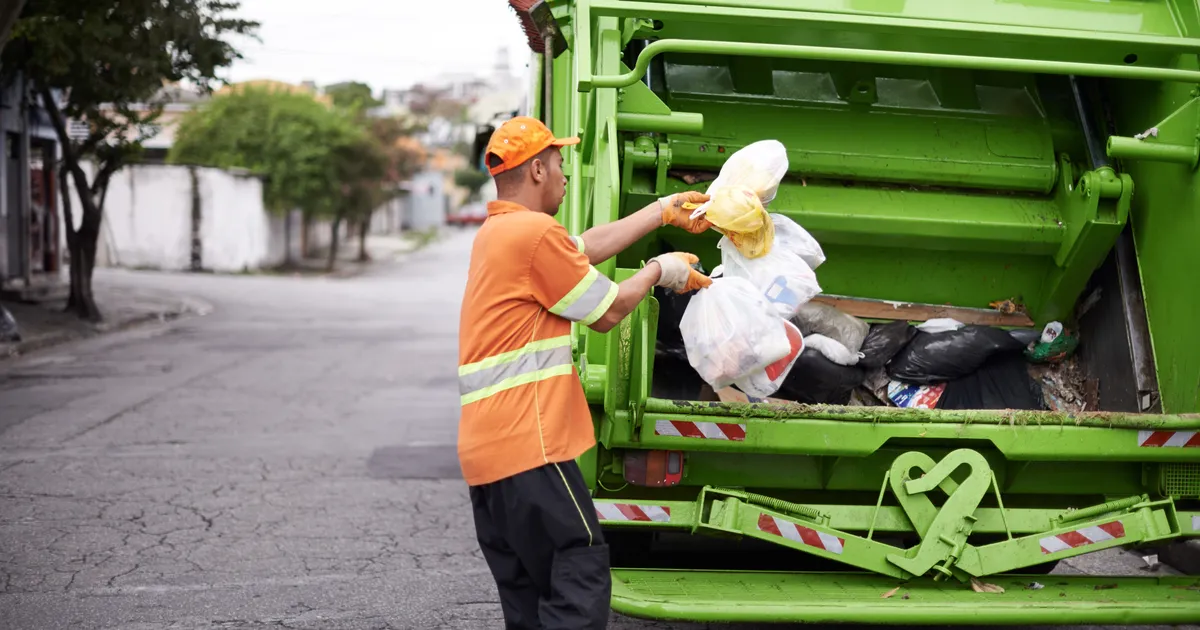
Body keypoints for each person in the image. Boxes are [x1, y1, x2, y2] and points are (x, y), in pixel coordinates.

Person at [457, 116, 712, 629]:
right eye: (558, 162)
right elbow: (611, 311)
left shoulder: (501, 233)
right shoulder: (532, 234)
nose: (564, 173)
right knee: (579, 565)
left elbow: (585, 247)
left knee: (531, 597)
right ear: (534, 171)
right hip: (529, 445)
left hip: (489, 457)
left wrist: (661, 211)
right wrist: (661, 271)